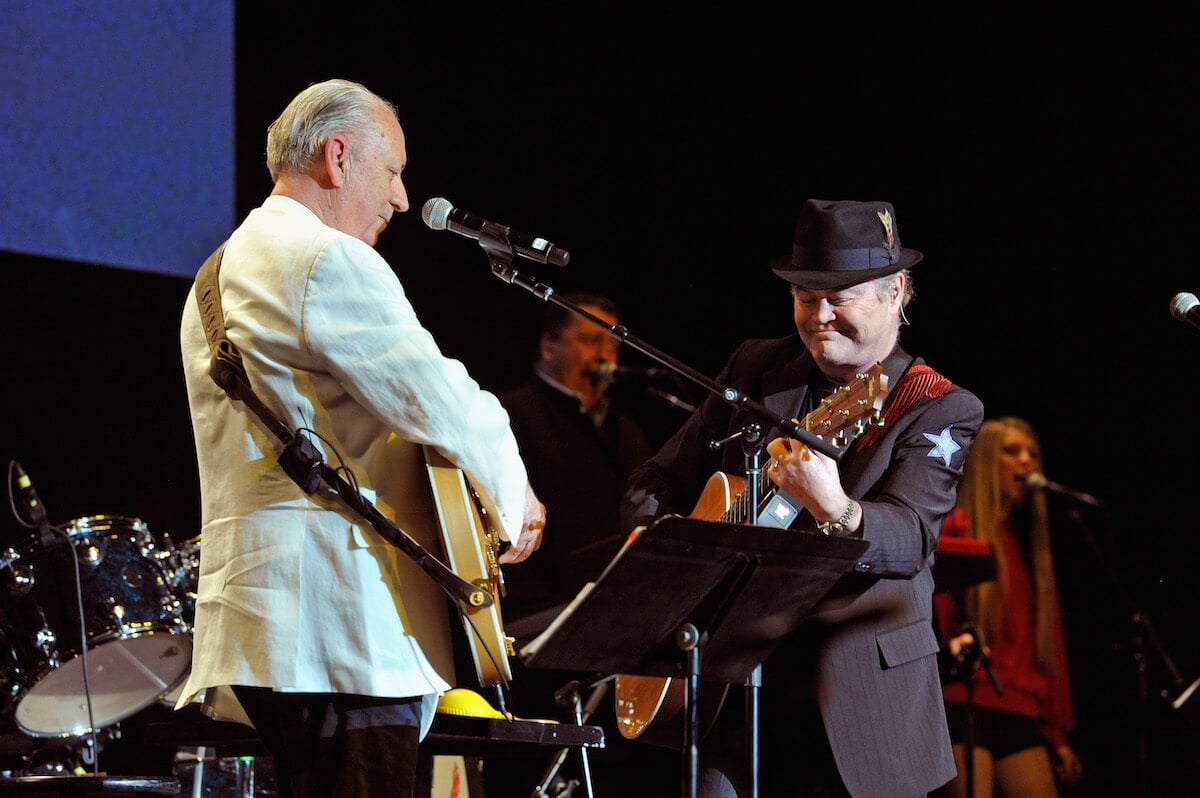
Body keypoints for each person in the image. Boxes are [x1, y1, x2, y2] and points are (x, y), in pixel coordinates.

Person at [176, 78, 546, 798]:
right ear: (337, 158)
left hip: (256, 629)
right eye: (393, 171)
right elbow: (437, 397)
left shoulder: (212, 278)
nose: (402, 200)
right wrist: (514, 495)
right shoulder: (325, 260)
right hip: (341, 632)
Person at [620, 198, 985, 798]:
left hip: (861, 700)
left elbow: (911, 539)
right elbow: (653, 481)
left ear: (895, 292)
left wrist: (835, 507)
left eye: (839, 298)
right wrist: (678, 565)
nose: (818, 317)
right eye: (803, 296)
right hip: (733, 696)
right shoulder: (756, 366)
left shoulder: (936, 404)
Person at [487, 292, 676, 796]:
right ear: (548, 346)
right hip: (533, 623)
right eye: (590, 339)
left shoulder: (630, 432)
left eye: (612, 342)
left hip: (612, 622)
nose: (605, 355)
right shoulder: (509, 418)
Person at [933, 417, 1084, 798]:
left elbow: (1048, 646)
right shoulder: (957, 528)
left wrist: (1056, 734)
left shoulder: (1030, 549)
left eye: (1033, 454)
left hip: (1021, 712)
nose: (1026, 463)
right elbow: (938, 614)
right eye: (1012, 451)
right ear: (986, 461)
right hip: (964, 705)